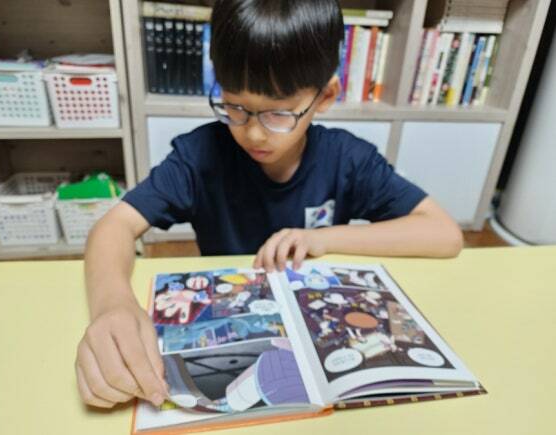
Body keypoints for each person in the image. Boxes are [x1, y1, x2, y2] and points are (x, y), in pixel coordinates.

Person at [75, 0, 463, 409]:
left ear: (325, 96)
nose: (254, 133)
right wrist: (112, 305)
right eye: (235, 106)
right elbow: (114, 226)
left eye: (278, 114)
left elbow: (443, 233)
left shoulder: (347, 159)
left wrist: (322, 238)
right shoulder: (200, 155)